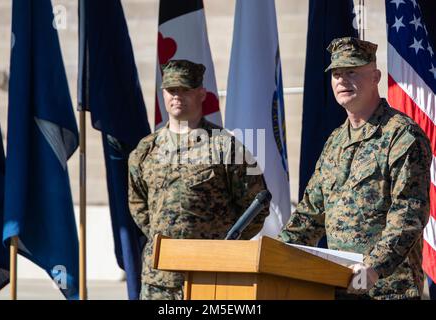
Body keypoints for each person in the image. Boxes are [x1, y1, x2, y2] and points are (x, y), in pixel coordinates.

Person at [278, 37, 432, 300]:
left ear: (375, 76)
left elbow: (409, 213)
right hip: (338, 287)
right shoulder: (335, 141)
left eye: (352, 72)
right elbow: (310, 213)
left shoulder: (402, 135)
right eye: (337, 74)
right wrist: (275, 251)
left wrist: (374, 267)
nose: (342, 80)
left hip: (388, 290)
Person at [128, 59, 270, 300]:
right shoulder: (145, 149)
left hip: (211, 274)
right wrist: (162, 237)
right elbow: (137, 202)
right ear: (163, 93)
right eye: (172, 90)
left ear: (202, 93)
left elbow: (256, 205)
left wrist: (224, 247)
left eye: (185, 90)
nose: (177, 96)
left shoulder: (227, 146)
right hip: (160, 278)